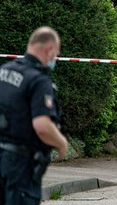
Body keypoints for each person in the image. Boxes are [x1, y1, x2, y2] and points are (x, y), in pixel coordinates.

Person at [0, 26, 68, 204]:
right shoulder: (38, 80)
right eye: (56, 53)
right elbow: (42, 126)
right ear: (49, 50)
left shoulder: (4, 71)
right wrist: (61, 144)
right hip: (20, 166)